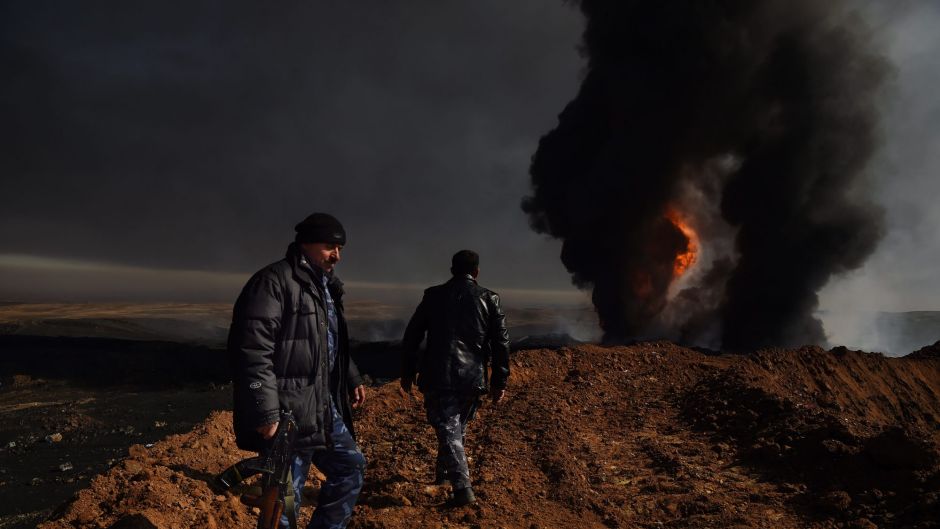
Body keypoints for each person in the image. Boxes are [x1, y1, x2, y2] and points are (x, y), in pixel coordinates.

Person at [227, 213, 367, 529]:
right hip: (289, 414)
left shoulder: (324, 286)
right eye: (330, 246)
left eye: (340, 248)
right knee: (285, 504)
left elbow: (327, 340)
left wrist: (351, 376)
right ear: (306, 243)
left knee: (351, 466)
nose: (337, 255)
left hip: (321, 406)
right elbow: (252, 350)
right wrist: (266, 412)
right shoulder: (274, 282)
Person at [400, 249, 511, 507]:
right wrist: (499, 381)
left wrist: (407, 371)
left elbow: (412, 336)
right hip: (472, 378)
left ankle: (462, 490)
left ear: (452, 269)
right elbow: (502, 343)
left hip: (439, 375)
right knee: (455, 427)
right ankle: (444, 478)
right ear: (477, 272)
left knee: (449, 428)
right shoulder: (489, 299)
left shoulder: (434, 296)